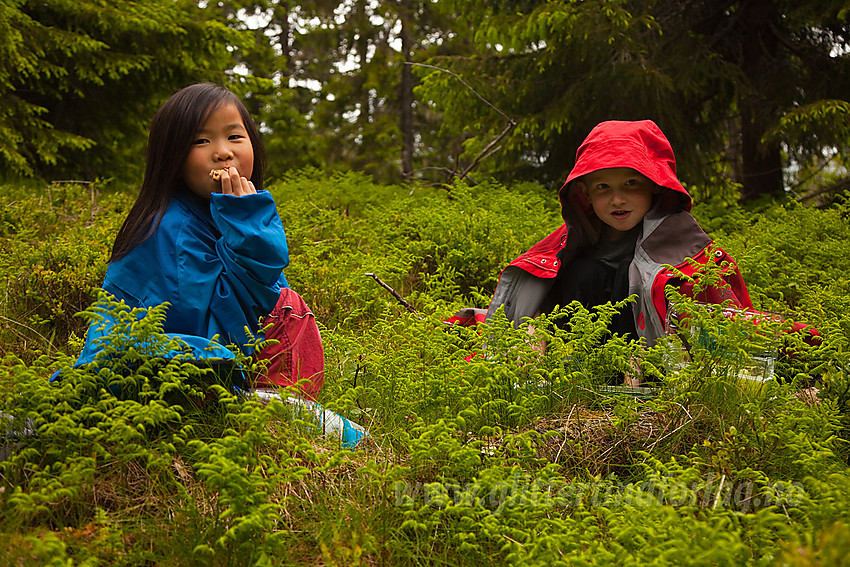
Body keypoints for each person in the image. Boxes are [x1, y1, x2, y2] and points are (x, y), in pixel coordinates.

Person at [73, 83, 324, 400]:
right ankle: (278, 407)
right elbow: (230, 322)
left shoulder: (218, 212)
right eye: (201, 141)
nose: (223, 152)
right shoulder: (169, 226)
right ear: (173, 159)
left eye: (234, 137)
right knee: (289, 308)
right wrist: (246, 221)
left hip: (200, 370)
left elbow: (260, 293)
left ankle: (281, 405)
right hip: (161, 370)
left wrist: (244, 218)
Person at [485, 119, 753, 352]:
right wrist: (535, 330)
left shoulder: (684, 248)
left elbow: (726, 319)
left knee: (629, 272)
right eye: (603, 187)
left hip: (653, 364)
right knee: (584, 272)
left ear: (655, 186)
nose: (617, 199)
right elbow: (539, 305)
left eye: (631, 183)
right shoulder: (570, 245)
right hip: (581, 363)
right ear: (586, 193)